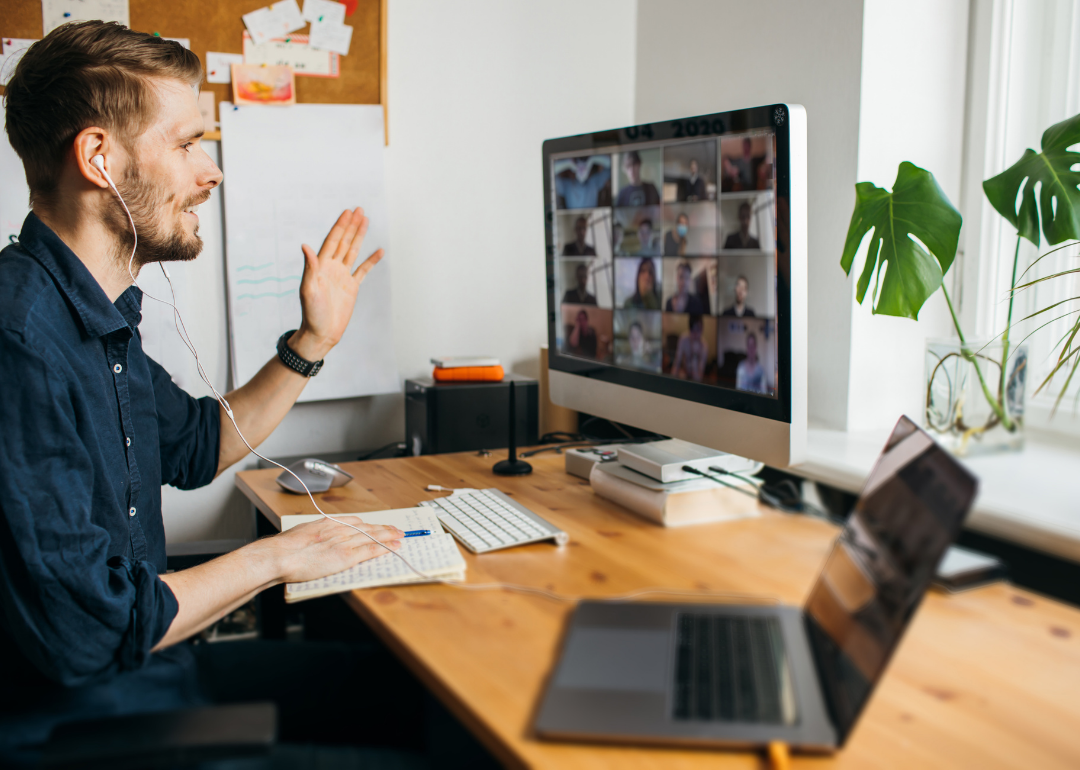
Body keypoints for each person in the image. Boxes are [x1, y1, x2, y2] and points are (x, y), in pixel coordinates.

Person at [0, 23, 444, 768]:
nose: (211, 172)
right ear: (98, 158)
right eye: (185, 145)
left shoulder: (92, 314)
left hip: (151, 679)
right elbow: (87, 636)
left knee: (419, 700)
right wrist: (276, 560)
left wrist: (312, 343)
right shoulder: (20, 340)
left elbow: (200, 445)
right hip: (75, 731)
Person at [671, 313, 707, 382]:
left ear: (702, 329)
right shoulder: (683, 339)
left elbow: (699, 378)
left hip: (696, 381)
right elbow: (677, 362)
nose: (695, 334)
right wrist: (671, 381)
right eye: (693, 330)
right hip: (683, 376)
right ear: (690, 329)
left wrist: (695, 355)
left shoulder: (704, 346)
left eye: (698, 330)